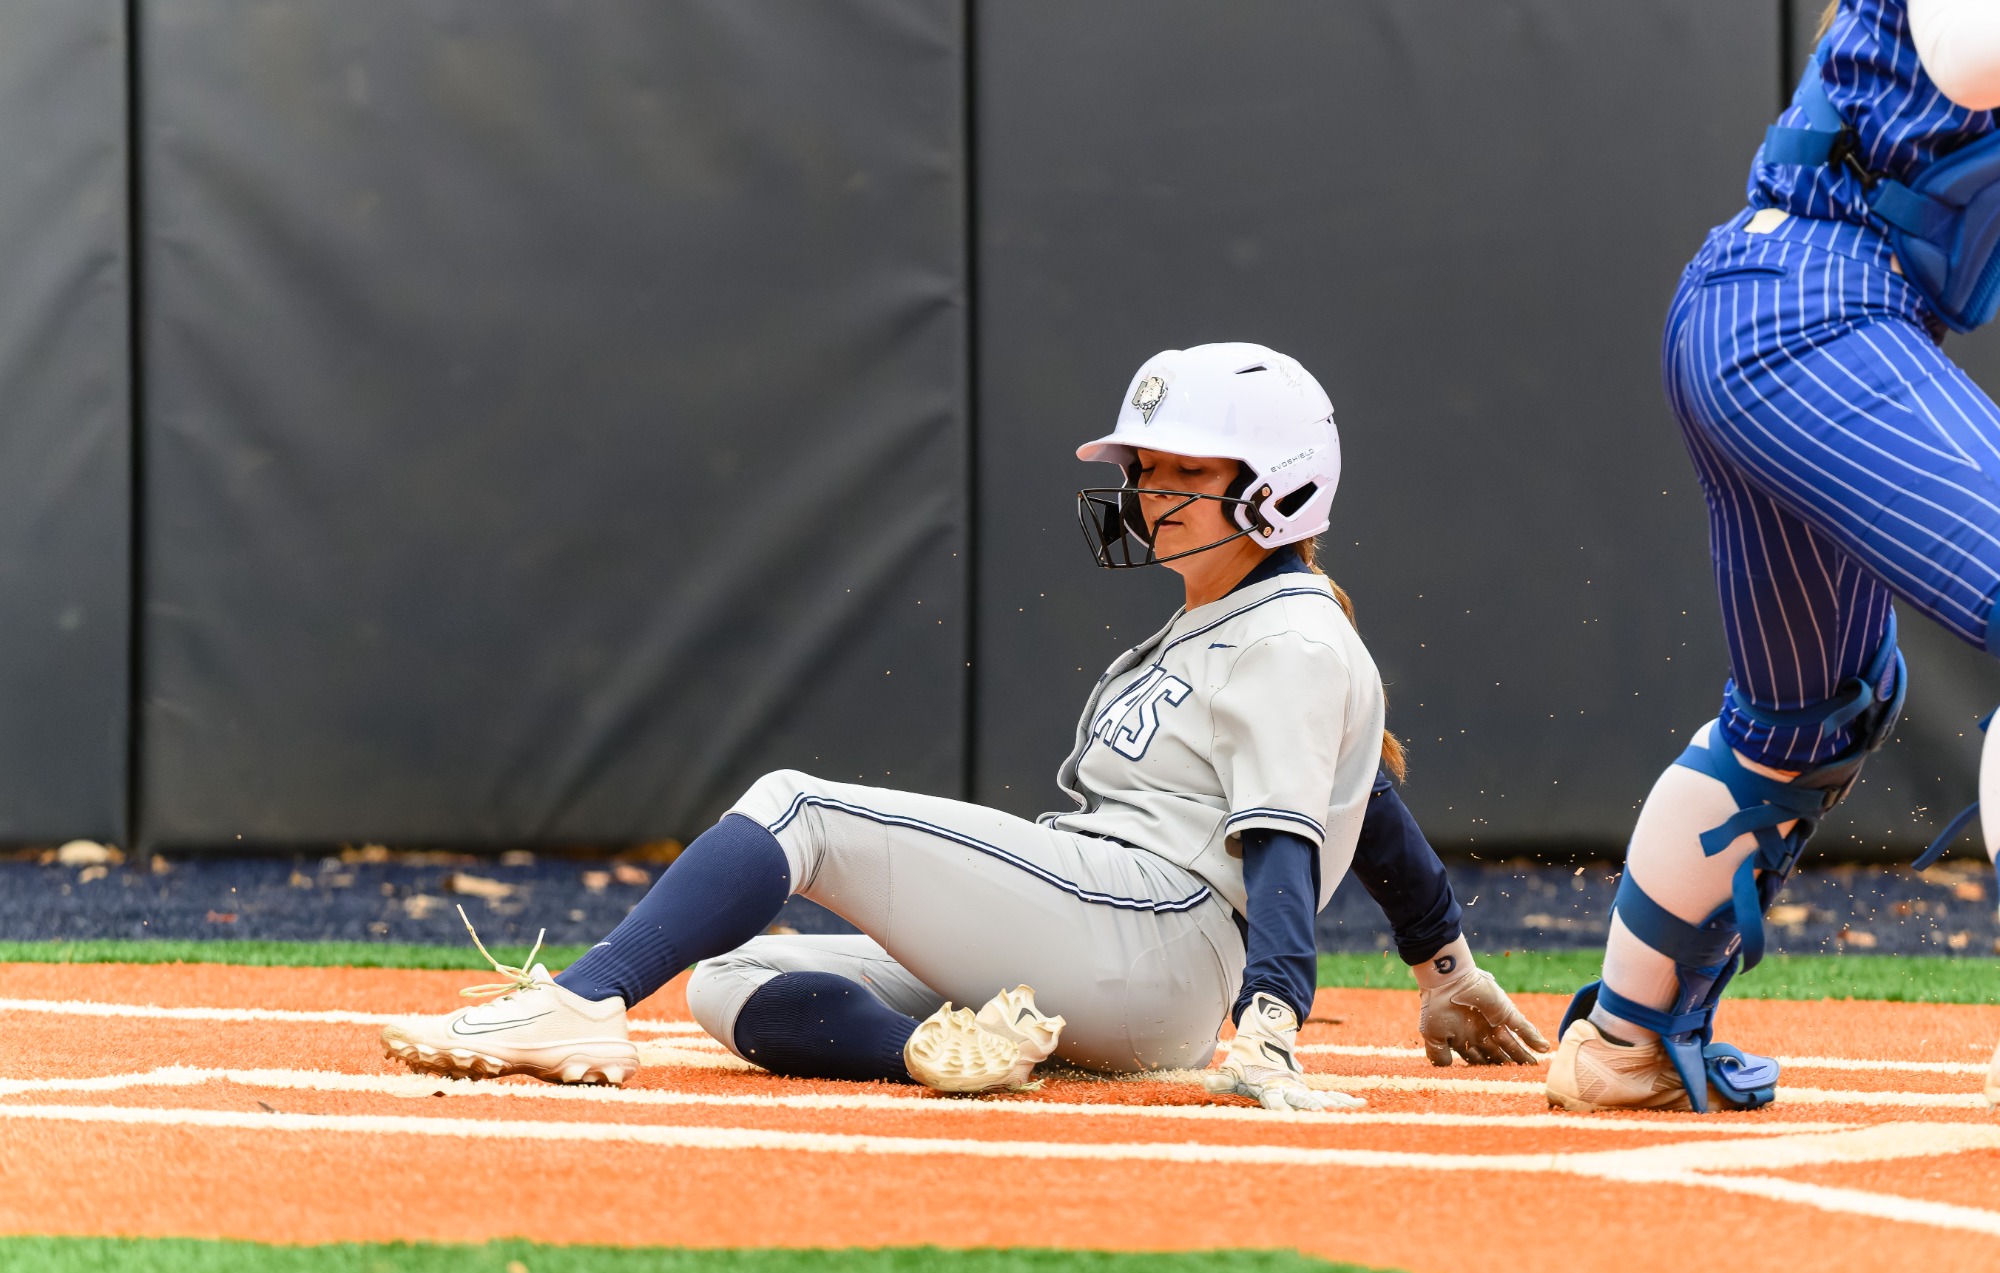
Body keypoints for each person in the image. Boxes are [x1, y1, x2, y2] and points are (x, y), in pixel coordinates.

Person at [382, 342, 1544, 1107]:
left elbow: (1288, 839)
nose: (1150, 494)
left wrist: (1276, 1020)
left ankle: (578, 1002)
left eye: (1185, 469)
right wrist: (1443, 968)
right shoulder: (1243, 626)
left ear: (1279, 487)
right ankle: (937, 1054)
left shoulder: (1286, 634)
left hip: (1152, 931)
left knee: (798, 807)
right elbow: (1369, 800)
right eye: (1147, 469)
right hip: (1120, 956)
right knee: (725, 972)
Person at [1549, 0, 2000, 1112]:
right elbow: (1969, 55)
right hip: (1807, 310)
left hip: (1785, 314)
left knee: (1804, 720)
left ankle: (1621, 1044)